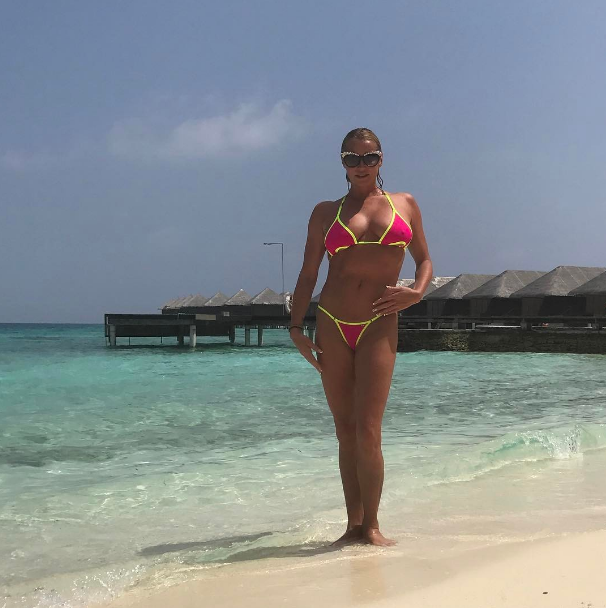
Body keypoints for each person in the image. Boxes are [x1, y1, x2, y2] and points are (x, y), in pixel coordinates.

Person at [289, 128, 433, 547]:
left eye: (369, 157)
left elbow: (424, 260)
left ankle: (372, 525)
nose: (361, 165)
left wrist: (417, 292)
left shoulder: (405, 204)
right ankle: (352, 525)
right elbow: (308, 274)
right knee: (345, 430)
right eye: (352, 158)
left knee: (369, 428)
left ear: (381, 160)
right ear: (342, 163)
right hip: (332, 321)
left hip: (378, 323)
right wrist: (295, 328)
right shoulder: (325, 212)